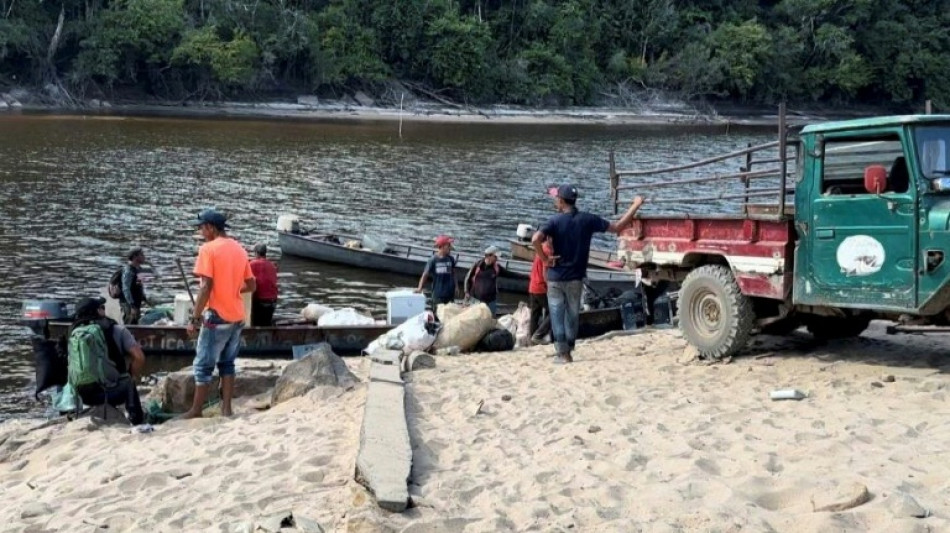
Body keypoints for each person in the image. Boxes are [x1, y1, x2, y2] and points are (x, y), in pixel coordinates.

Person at [532, 185, 644, 363]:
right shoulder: (587, 220)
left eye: (556, 199)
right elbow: (617, 227)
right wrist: (635, 204)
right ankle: (569, 349)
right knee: (572, 314)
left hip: (556, 276)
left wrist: (545, 259)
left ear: (561, 201)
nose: (555, 201)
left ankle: (562, 353)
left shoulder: (553, 221)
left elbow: (535, 239)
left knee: (556, 314)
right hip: (576, 277)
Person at [183, 209, 256, 419]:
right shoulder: (240, 249)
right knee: (227, 363)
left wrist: (194, 319)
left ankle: (196, 410)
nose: (200, 232)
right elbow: (251, 285)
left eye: (201, 227)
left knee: (203, 365)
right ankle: (227, 409)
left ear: (211, 228)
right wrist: (232, 288)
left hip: (216, 316)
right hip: (236, 316)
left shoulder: (208, 249)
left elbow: (205, 287)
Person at [69, 296, 146, 424]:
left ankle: (67, 412)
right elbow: (139, 358)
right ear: (98, 312)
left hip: (80, 396)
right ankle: (136, 420)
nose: (104, 310)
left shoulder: (73, 333)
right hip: (106, 394)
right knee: (128, 383)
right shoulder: (117, 330)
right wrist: (132, 375)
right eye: (102, 307)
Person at [415, 235, 458, 311]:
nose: (450, 247)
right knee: (438, 315)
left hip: (450, 293)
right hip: (438, 294)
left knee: (449, 315)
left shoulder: (451, 259)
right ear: (442, 246)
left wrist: (456, 287)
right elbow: (425, 274)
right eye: (448, 245)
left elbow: (454, 273)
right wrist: (420, 288)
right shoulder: (433, 260)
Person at [464, 245, 509, 315]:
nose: (497, 259)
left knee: (490, 319)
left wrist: (527, 277)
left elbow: (510, 274)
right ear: (489, 256)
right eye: (495, 257)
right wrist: (466, 291)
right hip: (476, 300)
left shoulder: (497, 268)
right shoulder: (477, 265)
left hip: (491, 301)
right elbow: (468, 278)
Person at [528, 235, 553, 343]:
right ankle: (540, 335)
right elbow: (545, 272)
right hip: (541, 287)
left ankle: (532, 337)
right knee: (553, 311)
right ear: (549, 239)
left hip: (533, 285)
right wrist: (550, 286)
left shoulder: (541, 247)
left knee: (535, 313)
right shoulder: (547, 251)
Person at [249, 243, 278, 327]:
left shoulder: (252, 264)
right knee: (266, 323)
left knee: (256, 322)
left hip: (261, 301)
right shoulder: (272, 265)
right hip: (273, 301)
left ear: (256, 253)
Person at [120, 248, 148, 325]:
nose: (144, 257)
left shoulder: (138, 269)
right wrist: (131, 306)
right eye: (141, 255)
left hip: (136, 303)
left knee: (135, 323)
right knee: (130, 324)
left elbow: (139, 285)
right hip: (129, 304)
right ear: (135, 257)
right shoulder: (128, 271)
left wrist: (143, 297)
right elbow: (126, 289)